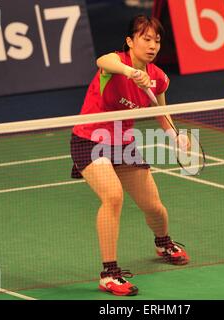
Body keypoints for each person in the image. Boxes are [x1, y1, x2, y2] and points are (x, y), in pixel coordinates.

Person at [70, 15, 189, 297]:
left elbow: (160, 111)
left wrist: (175, 135)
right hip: (89, 139)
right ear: (130, 41)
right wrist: (128, 71)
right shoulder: (115, 63)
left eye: (156, 40)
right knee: (113, 196)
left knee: (154, 207)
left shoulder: (158, 78)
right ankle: (109, 274)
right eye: (145, 39)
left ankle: (163, 243)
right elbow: (102, 61)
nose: (152, 45)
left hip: (122, 144)